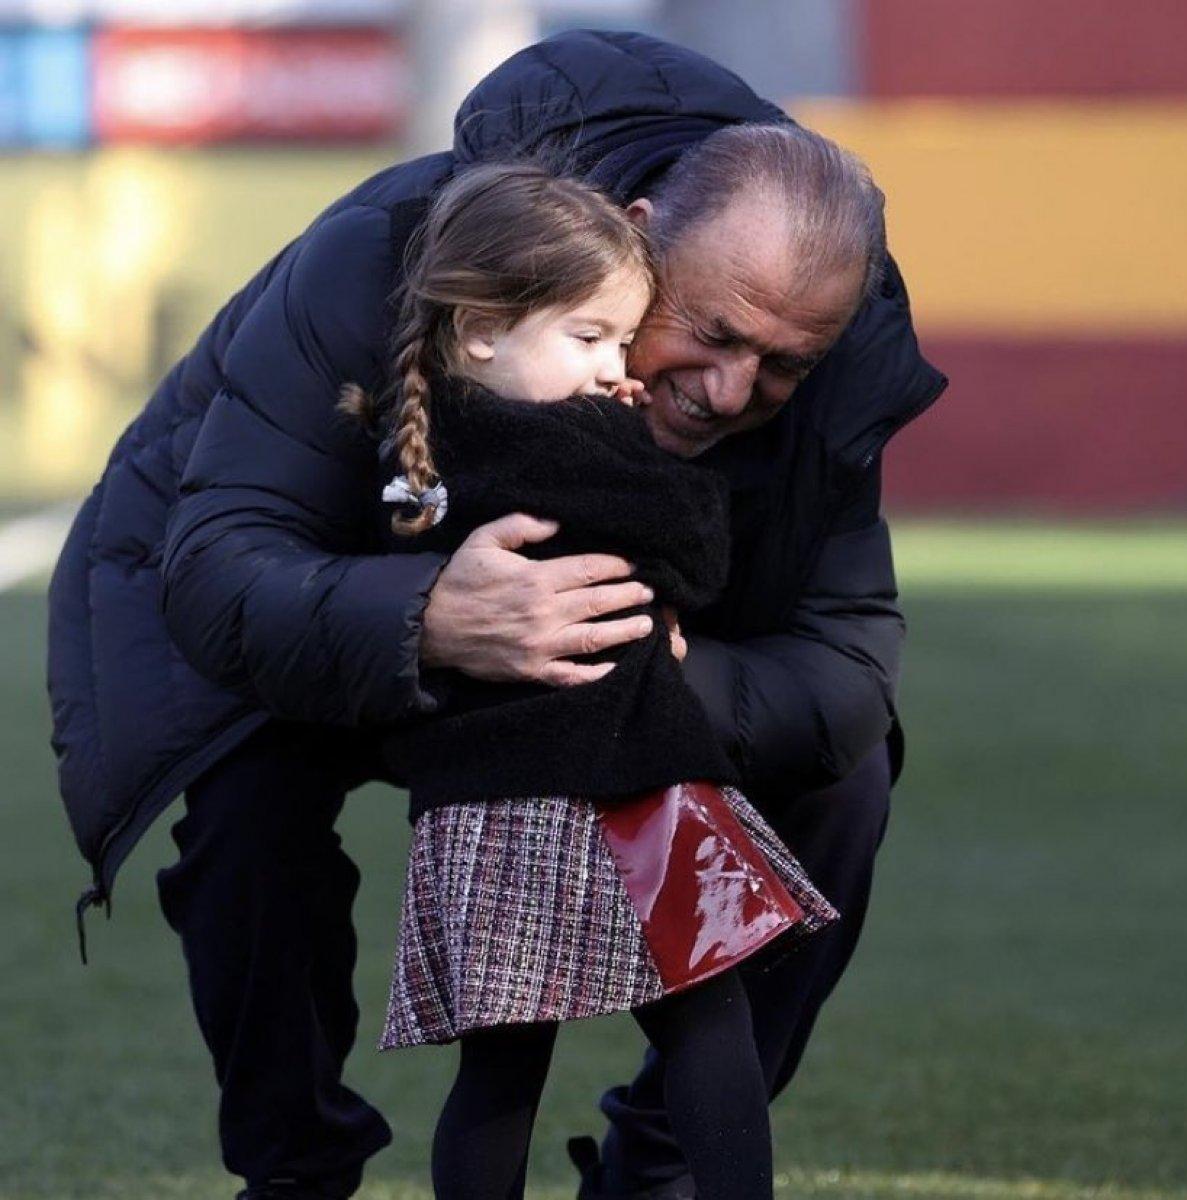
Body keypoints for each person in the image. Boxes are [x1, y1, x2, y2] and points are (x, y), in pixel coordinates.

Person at [46, 29, 946, 1200]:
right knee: (244, 798)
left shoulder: (837, 350)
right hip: (347, 636)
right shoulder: (380, 258)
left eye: (783, 365)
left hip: (619, 690)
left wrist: (668, 672)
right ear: (635, 240)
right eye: (714, 334)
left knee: (847, 777)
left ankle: (662, 1179)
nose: (733, 391)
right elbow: (221, 562)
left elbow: (845, 655)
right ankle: (296, 1173)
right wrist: (424, 614)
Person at [345, 158, 837, 1200]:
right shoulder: (571, 445)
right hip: (628, 785)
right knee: (707, 1021)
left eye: (622, 341)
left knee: (502, 1070)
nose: (618, 372)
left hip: (485, 805)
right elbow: (696, 552)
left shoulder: (417, 448)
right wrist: (628, 437)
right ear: (484, 328)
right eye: (589, 338)